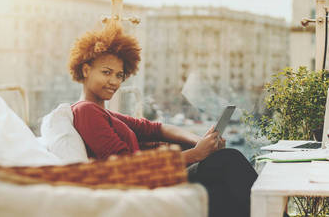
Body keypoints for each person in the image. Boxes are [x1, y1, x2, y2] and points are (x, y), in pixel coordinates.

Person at [68, 20, 258, 217]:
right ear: (85, 70)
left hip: (155, 181)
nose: (114, 82)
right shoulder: (86, 111)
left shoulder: (107, 114)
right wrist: (196, 154)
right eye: (106, 73)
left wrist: (199, 143)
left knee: (227, 188)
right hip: (147, 188)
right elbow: (128, 168)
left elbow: (157, 128)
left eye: (119, 75)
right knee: (229, 162)